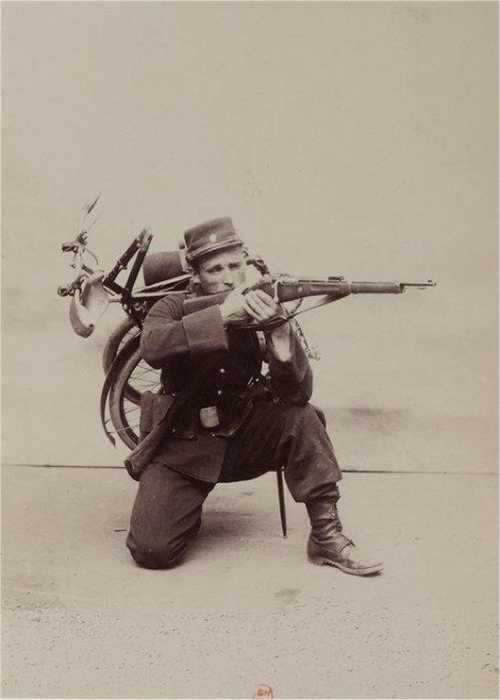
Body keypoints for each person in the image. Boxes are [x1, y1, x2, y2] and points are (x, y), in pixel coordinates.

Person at [126, 217, 383, 576]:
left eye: (235, 265)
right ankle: (183, 512)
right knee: (151, 551)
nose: (229, 277)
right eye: (216, 269)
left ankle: (326, 536)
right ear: (195, 274)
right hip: (182, 447)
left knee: (303, 417)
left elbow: (298, 395)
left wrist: (279, 334)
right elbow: (152, 346)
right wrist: (221, 316)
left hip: (241, 435)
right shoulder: (171, 306)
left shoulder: (263, 306)